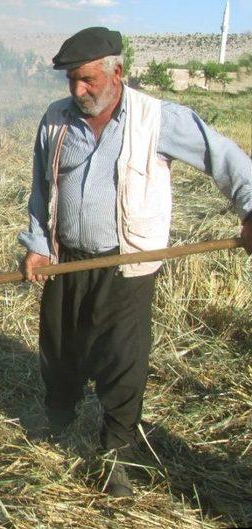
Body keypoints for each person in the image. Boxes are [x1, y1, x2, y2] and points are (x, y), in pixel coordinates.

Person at [18, 26, 252, 497]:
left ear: (116, 72)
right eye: (71, 81)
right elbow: (42, 188)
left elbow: (222, 155)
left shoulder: (157, 119)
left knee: (122, 361)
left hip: (127, 265)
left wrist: (251, 208)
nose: (77, 90)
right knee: (59, 349)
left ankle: (114, 454)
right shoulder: (55, 120)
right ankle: (58, 423)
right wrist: (38, 241)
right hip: (67, 262)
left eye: (87, 80)